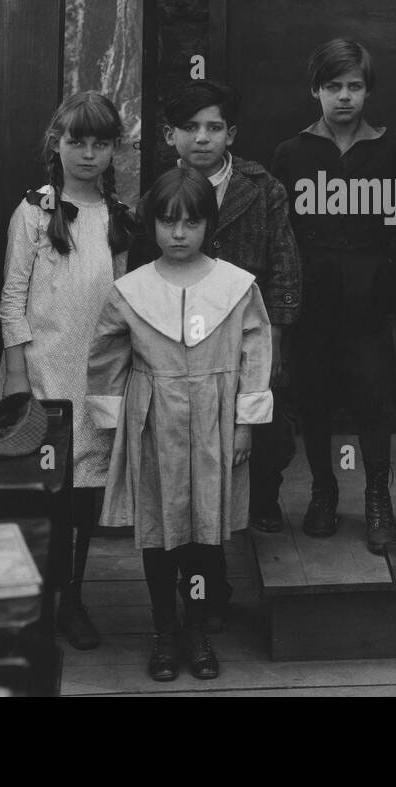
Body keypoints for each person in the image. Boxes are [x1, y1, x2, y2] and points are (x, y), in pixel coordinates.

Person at [88, 167, 273, 682]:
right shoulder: (130, 291)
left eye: (190, 222)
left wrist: (245, 424)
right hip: (155, 421)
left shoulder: (236, 287)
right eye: (168, 222)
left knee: (202, 536)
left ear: (207, 225)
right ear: (152, 225)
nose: (178, 233)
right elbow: (105, 357)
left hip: (215, 419)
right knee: (159, 531)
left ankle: (198, 629)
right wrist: (110, 421)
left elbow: (257, 355)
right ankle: (163, 631)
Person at [0, 91, 134, 651]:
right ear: (57, 142)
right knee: (41, 493)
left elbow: (124, 301)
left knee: (82, 499)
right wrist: (18, 377)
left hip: (95, 375)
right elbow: (12, 299)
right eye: (76, 141)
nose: (88, 153)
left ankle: (73, 597)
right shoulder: (34, 210)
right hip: (41, 373)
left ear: (113, 151)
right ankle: (34, 598)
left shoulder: (118, 218)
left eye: (100, 143)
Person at [142, 79, 300, 534]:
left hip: (245, 328)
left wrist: (275, 336)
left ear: (231, 134)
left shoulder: (261, 188)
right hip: (180, 333)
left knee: (260, 422)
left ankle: (263, 498)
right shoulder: (159, 187)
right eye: (190, 128)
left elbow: (284, 264)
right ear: (171, 134)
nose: (202, 138)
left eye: (214, 128)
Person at [271, 38, 396, 550]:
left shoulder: (391, 150)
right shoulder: (293, 152)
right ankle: (323, 491)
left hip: (370, 304)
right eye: (333, 87)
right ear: (315, 91)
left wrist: (387, 287)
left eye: (354, 86)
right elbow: (281, 235)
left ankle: (377, 498)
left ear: (368, 90)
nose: (344, 97)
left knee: (374, 402)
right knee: (315, 401)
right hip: (313, 302)